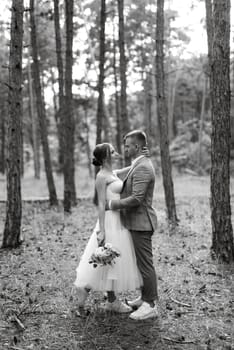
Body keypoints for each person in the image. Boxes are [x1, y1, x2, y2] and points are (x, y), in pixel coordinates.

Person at [74, 142, 142, 313]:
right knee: (109, 259)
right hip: (110, 221)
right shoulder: (101, 176)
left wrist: (140, 160)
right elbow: (101, 203)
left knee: (111, 260)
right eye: (113, 151)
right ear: (106, 157)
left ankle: (92, 290)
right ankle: (108, 299)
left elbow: (127, 170)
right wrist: (102, 229)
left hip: (119, 219)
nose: (116, 153)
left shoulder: (112, 172)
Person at [106, 130, 159, 320]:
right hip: (135, 222)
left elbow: (137, 199)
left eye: (128, 145)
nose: (125, 148)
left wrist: (111, 204)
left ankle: (150, 304)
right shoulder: (138, 163)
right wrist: (108, 172)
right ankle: (144, 298)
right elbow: (128, 171)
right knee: (140, 263)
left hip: (142, 222)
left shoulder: (144, 166)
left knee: (145, 265)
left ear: (137, 146)